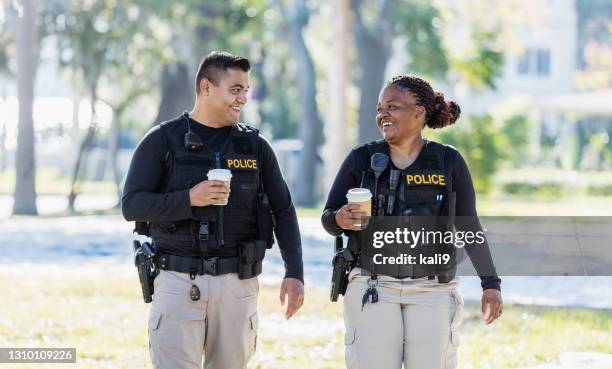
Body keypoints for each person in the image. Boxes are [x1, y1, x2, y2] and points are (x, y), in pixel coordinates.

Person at [122, 51, 305, 369]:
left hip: (237, 284)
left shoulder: (255, 147)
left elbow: (284, 211)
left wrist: (295, 272)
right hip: (177, 281)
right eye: (235, 89)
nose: (243, 99)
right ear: (206, 87)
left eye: (246, 90)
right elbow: (132, 204)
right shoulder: (162, 141)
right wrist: (189, 199)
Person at [321, 75, 503, 369]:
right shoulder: (361, 160)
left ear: (419, 112)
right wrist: (340, 218)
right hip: (372, 284)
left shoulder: (448, 162)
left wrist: (490, 284)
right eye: (380, 108)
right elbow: (329, 218)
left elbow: (469, 227)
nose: (383, 115)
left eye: (392, 106)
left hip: (432, 289)